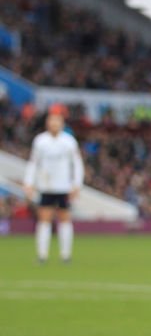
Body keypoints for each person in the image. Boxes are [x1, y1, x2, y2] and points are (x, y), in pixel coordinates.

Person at [23, 112, 84, 264]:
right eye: (52, 121)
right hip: (46, 186)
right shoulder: (40, 141)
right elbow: (33, 163)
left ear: (62, 123)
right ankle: (42, 255)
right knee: (44, 219)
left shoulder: (69, 141)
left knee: (65, 219)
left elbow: (77, 164)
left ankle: (65, 255)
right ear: (47, 123)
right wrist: (28, 182)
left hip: (64, 186)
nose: (54, 124)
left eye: (57, 121)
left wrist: (77, 184)